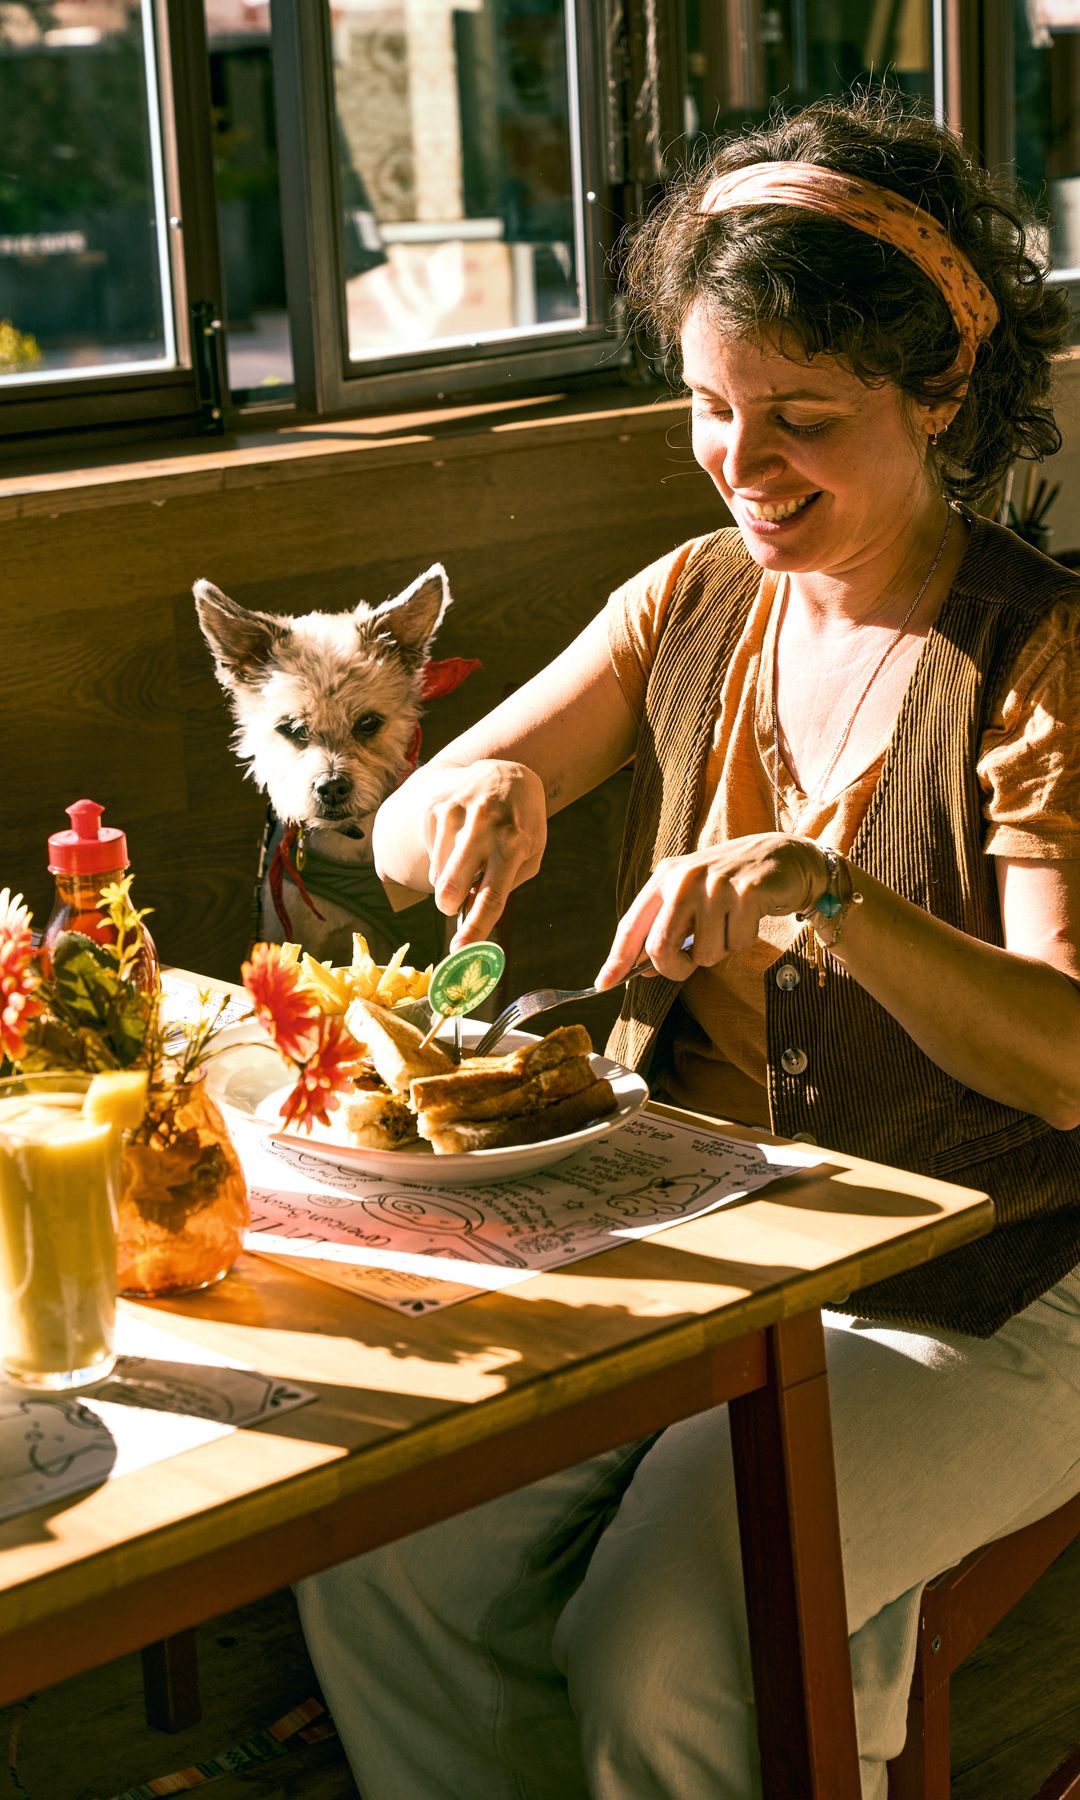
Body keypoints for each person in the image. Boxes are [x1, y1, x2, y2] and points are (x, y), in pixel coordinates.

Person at [295, 91, 1080, 1798]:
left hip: (996, 1279)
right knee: (384, 1560)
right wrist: (484, 786)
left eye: (803, 414)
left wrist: (832, 898)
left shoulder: (1039, 658)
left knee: (671, 1643)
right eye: (712, 408)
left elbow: (1071, 1063)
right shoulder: (690, 593)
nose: (745, 462)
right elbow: (422, 823)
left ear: (939, 392)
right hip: (713, 1229)